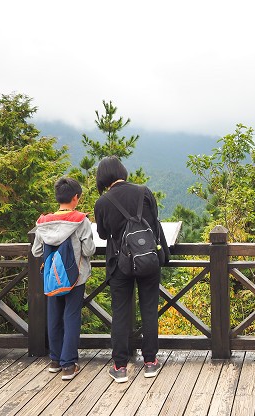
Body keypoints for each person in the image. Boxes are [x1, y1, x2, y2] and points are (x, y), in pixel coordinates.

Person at [93, 155, 170, 383]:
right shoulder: (144, 192)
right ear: (122, 171)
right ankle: (150, 362)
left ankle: (120, 366)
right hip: (147, 259)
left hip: (120, 264)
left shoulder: (103, 202)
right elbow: (154, 221)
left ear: (102, 178)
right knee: (149, 309)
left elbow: (103, 234)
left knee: (121, 313)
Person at [31, 176, 96, 380]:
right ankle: (69, 365)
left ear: (58, 197)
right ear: (76, 198)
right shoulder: (81, 220)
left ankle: (55, 360)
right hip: (75, 277)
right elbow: (89, 249)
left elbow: (36, 251)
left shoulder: (43, 222)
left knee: (54, 316)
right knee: (71, 316)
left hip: (52, 277)